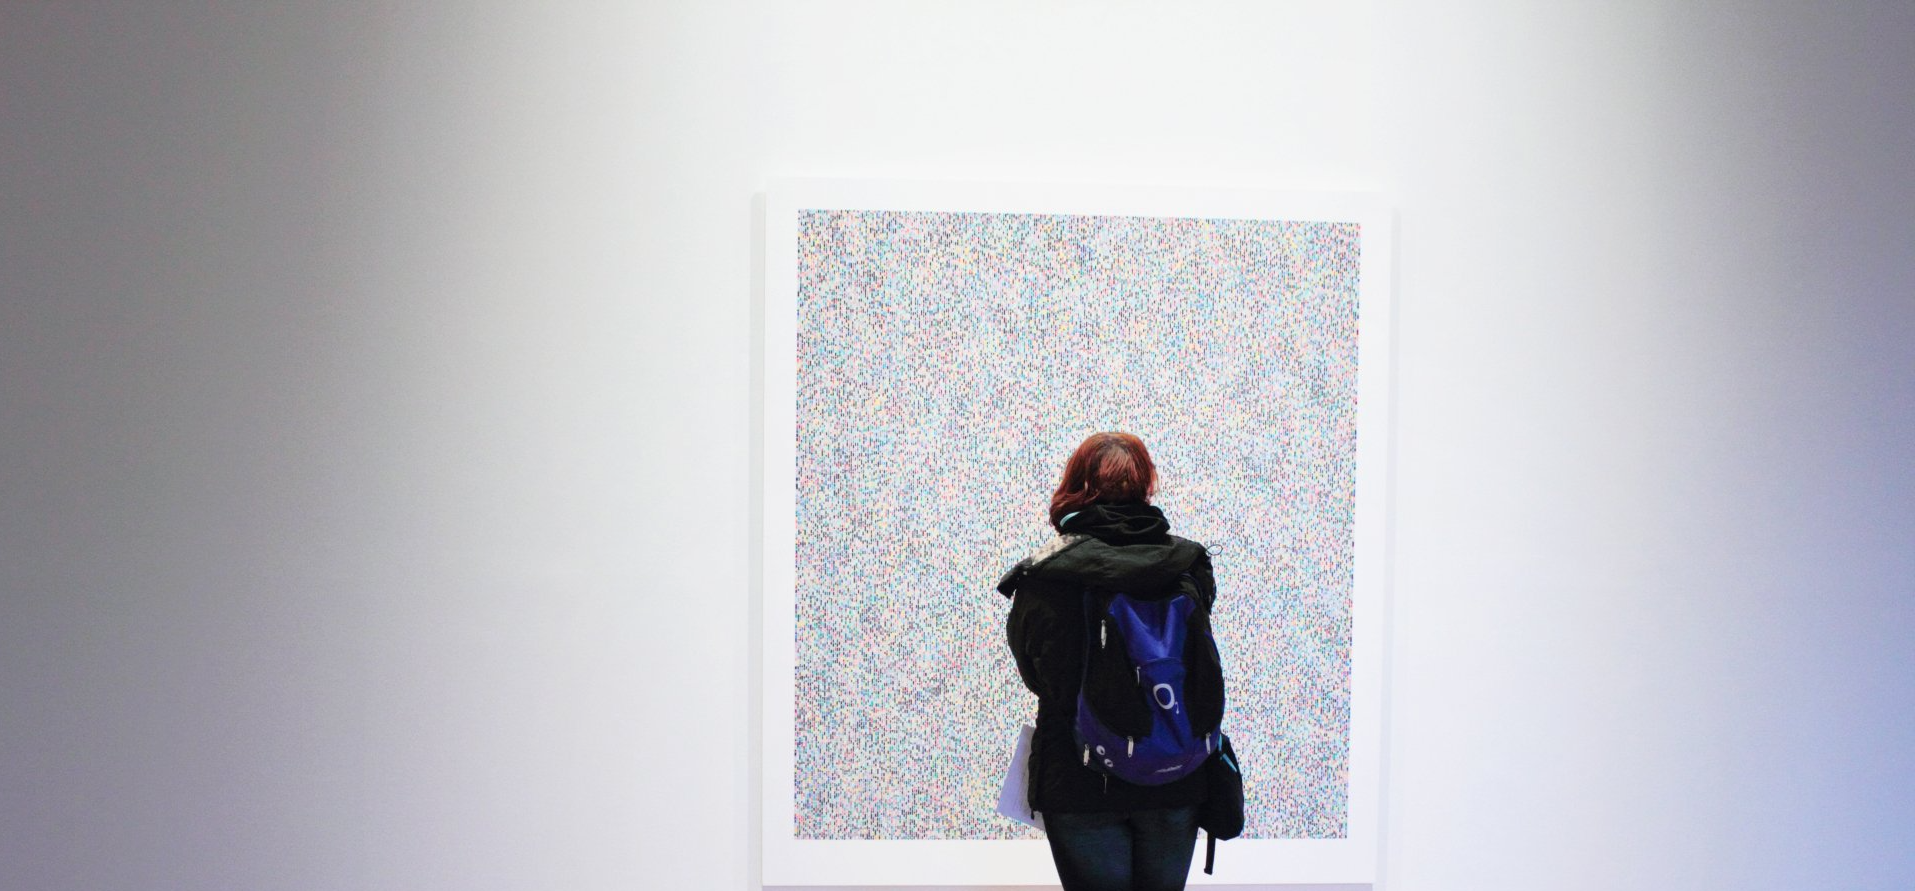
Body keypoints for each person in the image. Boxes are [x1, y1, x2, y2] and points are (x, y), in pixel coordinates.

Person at [998, 432, 1219, 891]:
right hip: (1175, 771)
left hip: (1079, 778)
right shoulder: (1189, 563)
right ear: (1147, 485)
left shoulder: (1044, 575)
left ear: (1074, 486)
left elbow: (1037, 676)